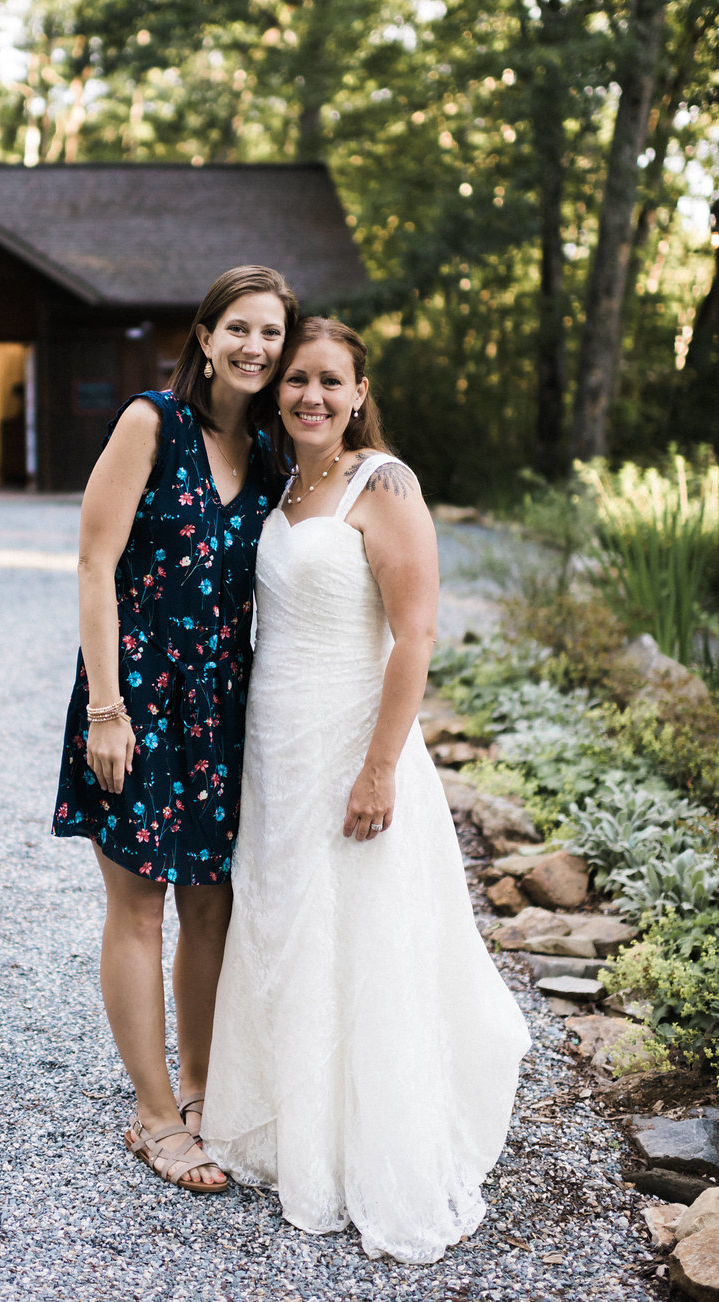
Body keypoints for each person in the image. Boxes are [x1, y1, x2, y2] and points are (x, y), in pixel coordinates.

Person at [201, 317, 531, 1258]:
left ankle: (364, 1145)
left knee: (360, 932)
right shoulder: (279, 477)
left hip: (353, 740)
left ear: (358, 392)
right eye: (296, 379)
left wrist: (381, 764)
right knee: (286, 921)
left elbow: (415, 636)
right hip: (278, 742)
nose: (310, 395)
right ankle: (288, 1126)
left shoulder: (380, 485)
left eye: (329, 382)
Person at [53, 265, 298, 1194]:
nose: (255, 348)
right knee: (138, 904)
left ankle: (200, 1090)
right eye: (239, 328)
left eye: (271, 333)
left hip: (227, 709)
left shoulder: (277, 454)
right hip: (138, 698)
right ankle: (152, 1116)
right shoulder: (152, 422)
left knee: (212, 904)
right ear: (205, 336)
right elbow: (93, 562)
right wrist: (107, 711)